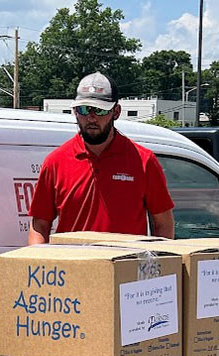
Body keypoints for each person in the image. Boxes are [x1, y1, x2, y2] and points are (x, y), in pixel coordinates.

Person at [27, 71, 175, 244]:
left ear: (116, 112)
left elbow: (163, 223)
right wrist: (38, 262)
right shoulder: (55, 162)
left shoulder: (143, 161)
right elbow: (39, 225)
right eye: (83, 109)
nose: (91, 117)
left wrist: (159, 265)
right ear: (75, 112)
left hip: (124, 267)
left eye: (99, 110)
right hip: (72, 268)